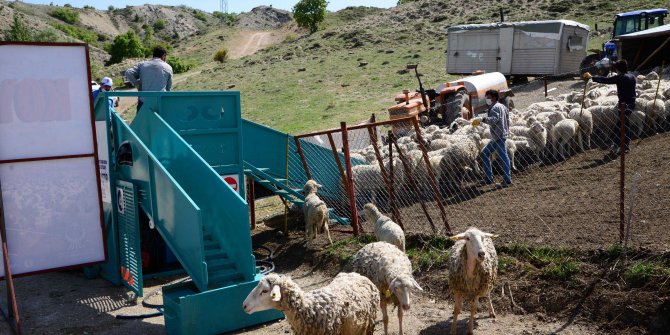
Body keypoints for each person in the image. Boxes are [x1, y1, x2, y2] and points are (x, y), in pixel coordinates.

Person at [583, 60, 636, 156]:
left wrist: (592, 77)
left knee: (619, 126)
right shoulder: (632, 76)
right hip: (632, 103)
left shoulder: (621, 78)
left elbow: (606, 80)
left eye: (616, 68)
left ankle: (616, 146)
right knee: (625, 125)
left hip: (624, 105)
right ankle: (625, 146)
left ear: (618, 69)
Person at [472, 89, 512, 188]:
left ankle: (507, 180)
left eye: (488, 97)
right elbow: (506, 119)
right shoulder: (502, 106)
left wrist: (483, 119)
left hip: (499, 136)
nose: (487, 99)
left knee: (503, 156)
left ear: (493, 97)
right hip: (498, 135)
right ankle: (489, 178)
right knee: (485, 153)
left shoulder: (494, 108)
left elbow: (494, 120)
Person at [124, 46, 173, 112]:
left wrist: (137, 84)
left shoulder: (142, 64)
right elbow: (168, 89)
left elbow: (128, 72)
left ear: (153, 55)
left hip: (144, 102)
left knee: (142, 121)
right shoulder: (168, 67)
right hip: (160, 102)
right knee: (160, 122)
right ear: (163, 56)